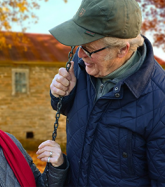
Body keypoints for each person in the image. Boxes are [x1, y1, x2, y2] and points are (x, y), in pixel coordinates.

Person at [49, 0, 165, 186]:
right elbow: (68, 109)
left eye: (89, 49)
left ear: (122, 50)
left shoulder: (160, 101)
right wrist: (61, 94)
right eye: (80, 45)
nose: (80, 55)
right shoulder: (83, 67)